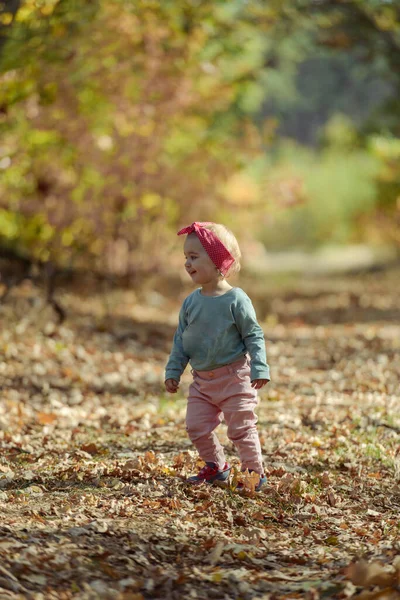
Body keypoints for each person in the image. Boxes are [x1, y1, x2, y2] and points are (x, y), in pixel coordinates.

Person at [164, 222, 270, 492]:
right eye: (185, 258)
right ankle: (216, 466)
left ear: (216, 259)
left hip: (234, 377)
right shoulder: (191, 303)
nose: (187, 263)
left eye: (194, 257)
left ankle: (253, 472)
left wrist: (259, 367)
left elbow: (253, 335)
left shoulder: (236, 300)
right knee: (196, 426)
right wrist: (173, 370)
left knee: (241, 429)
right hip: (202, 381)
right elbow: (181, 340)